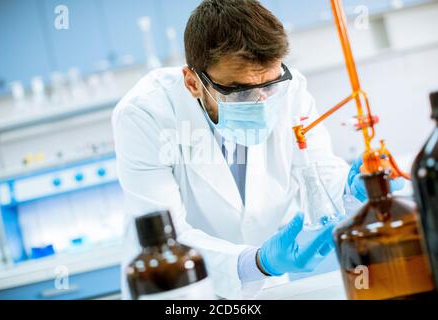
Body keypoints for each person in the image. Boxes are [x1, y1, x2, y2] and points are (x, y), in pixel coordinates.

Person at [112, 0, 404, 299]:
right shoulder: (145, 114)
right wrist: (258, 261)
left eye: (270, 85)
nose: (262, 102)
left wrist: (351, 188)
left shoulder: (290, 90)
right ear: (193, 83)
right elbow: (167, 239)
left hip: (268, 288)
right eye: (241, 91)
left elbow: (317, 171)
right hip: (181, 290)